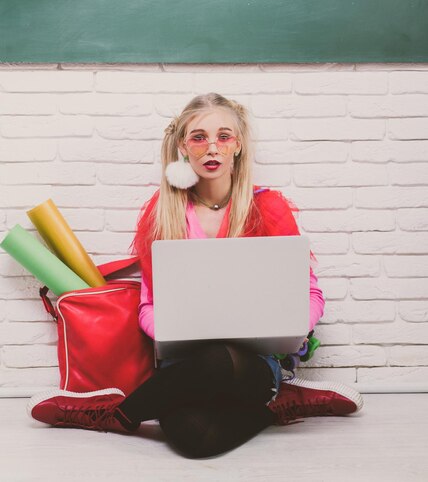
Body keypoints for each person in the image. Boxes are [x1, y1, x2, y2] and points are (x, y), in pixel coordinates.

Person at [28, 93, 363, 459]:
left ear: (238, 147)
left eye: (224, 136)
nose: (212, 147)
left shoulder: (268, 207)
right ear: (184, 148)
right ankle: (277, 407)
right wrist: (175, 328)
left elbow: (310, 295)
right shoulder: (165, 213)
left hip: (253, 367)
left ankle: (114, 415)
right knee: (194, 441)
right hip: (186, 367)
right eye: (199, 137)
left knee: (221, 357)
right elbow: (148, 308)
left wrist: (293, 324)